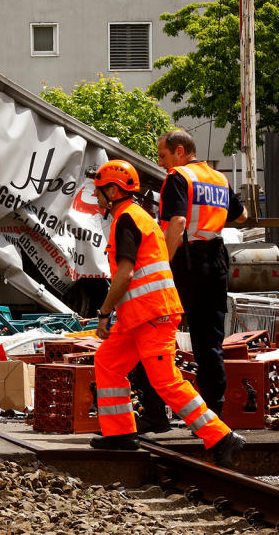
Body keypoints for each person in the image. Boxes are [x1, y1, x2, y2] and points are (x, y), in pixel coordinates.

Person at [88, 159, 244, 466]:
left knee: (165, 380)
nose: (96, 198)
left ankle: (222, 437)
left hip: (152, 315)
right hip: (139, 316)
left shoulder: (127, 220)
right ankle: (120, 434)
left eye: (98, 192)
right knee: (107, 362)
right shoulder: (137, 217)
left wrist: (104, 312)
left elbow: (125, 275)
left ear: (111, 190)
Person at [134, 130, 248, 433]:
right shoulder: (219, 179)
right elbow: (243, 215)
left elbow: (179, 222)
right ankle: (213, 417)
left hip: (186, 262)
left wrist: (163, 264)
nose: (161, 163)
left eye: (163, 155)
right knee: (209, 343)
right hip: (216, 261)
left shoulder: (178, 177)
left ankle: (155, 413)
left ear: (180, 151)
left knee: (154, 331)